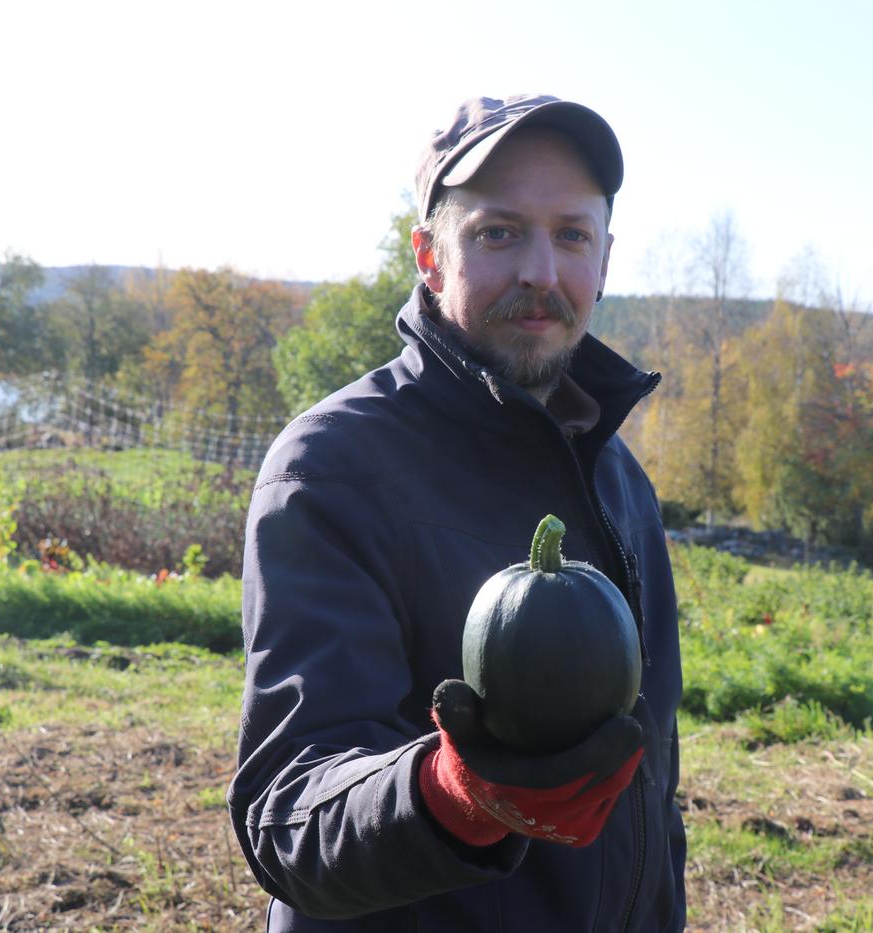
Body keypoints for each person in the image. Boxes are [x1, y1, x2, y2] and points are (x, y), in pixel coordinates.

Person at [229, 94, 685, 932]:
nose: (541, 272)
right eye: (498, 232)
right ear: (430, 257)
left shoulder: (620, 480)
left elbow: (650, 795)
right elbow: (288, 815)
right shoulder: (331, 467)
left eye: (571, 234)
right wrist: (457, 793)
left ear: (606, 258)